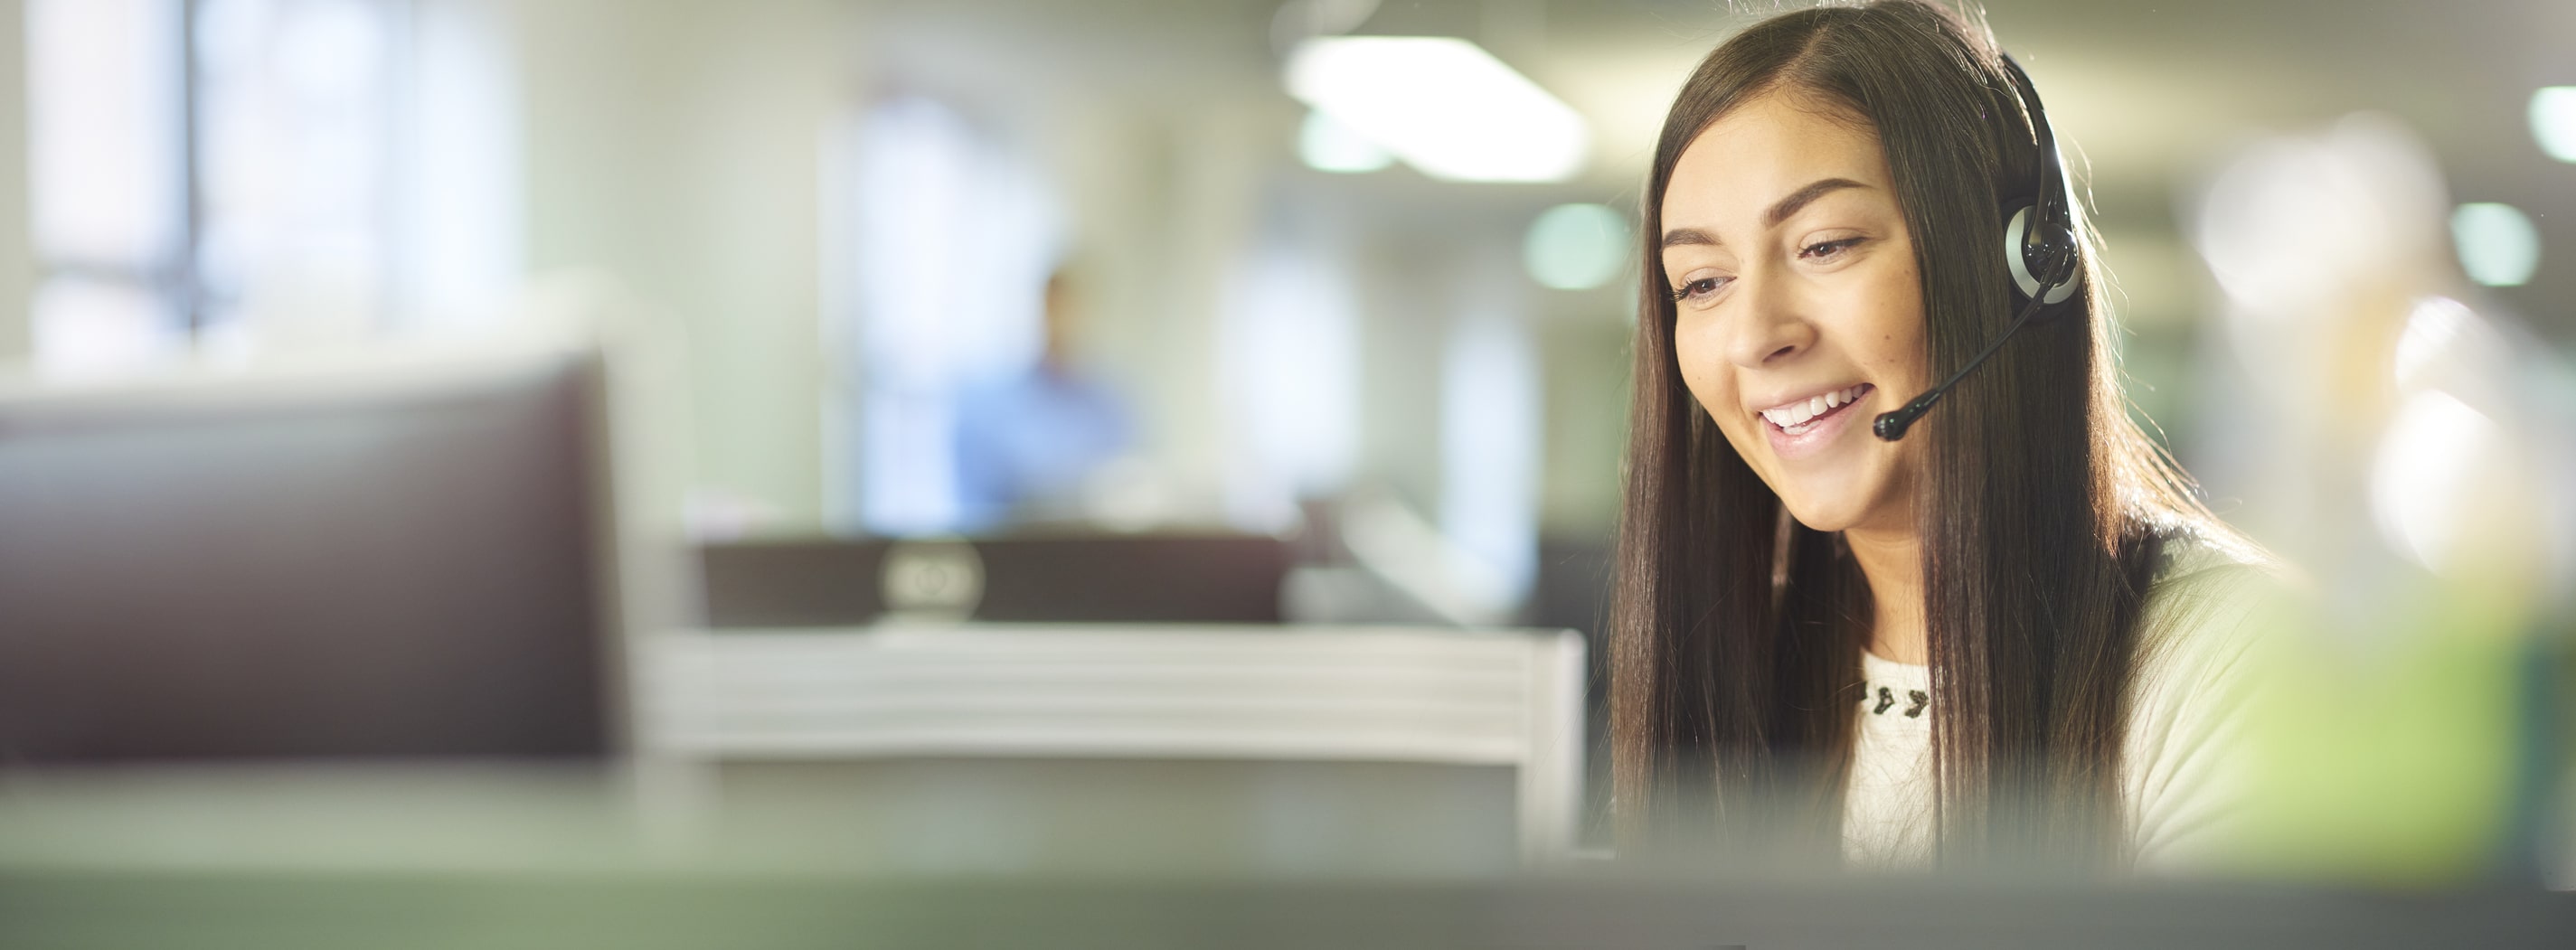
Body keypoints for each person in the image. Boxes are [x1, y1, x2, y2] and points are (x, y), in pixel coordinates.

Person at [1610, 0, 2277, 872]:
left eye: (1825, 245)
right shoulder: (1741, 657)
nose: (1752, 335)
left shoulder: (2228, 658)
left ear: (2019, 270)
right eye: (1700, 283)